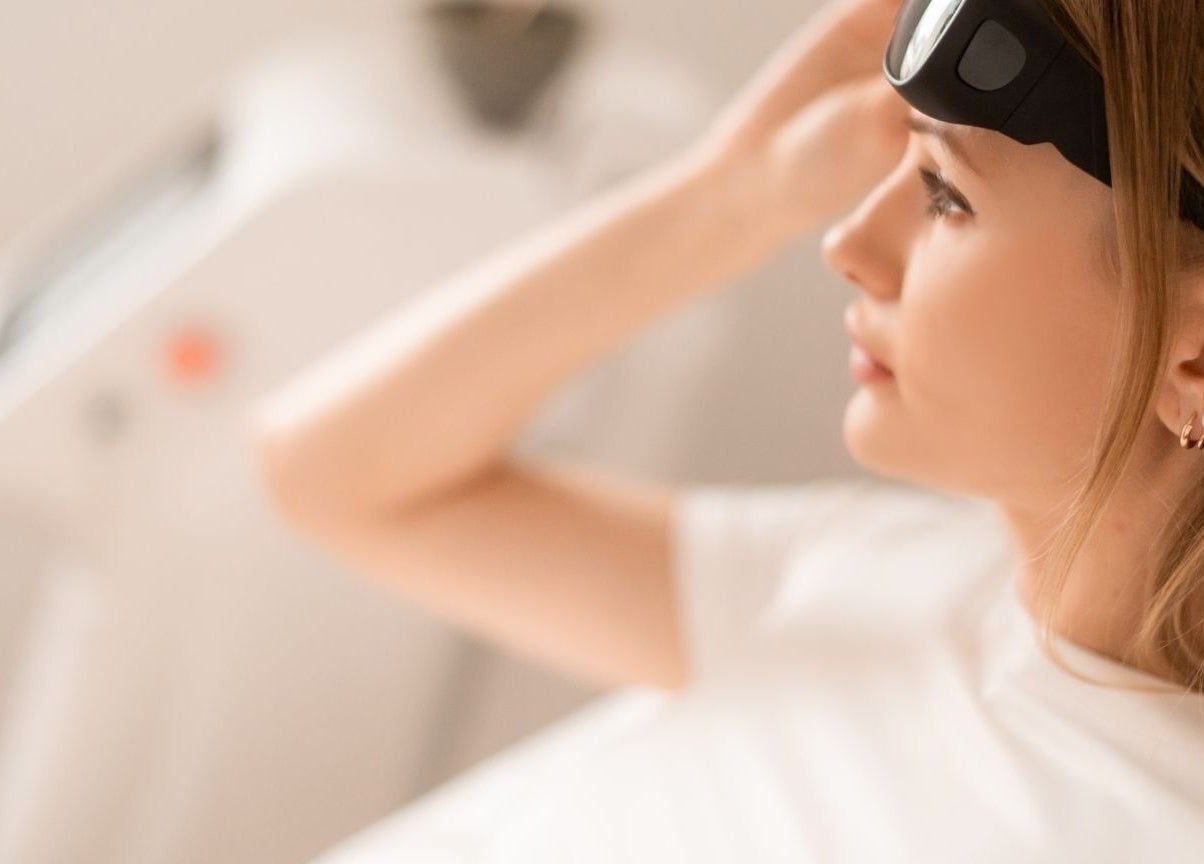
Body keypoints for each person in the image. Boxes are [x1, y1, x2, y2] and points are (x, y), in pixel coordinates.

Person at [251, 0, 1204, 859]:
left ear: (1192, 360)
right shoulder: (885, 576)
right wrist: (734, 189)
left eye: (945, 195)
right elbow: (336, 475)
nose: (846, 244)